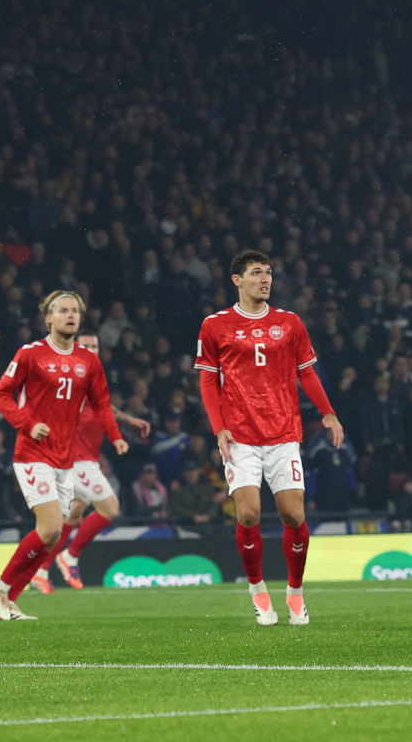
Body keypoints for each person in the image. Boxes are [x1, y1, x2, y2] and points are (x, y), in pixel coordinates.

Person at [195, 250, 345, 626]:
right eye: (257, 273)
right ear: (237, 280)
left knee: (293, 514)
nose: (265, 279)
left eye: (268, 273)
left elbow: (306, 373)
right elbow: (208, 380)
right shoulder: (215, 325)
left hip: (283, 433)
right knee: (248, 513)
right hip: (240, 436)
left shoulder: (289, 322)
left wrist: (327, 411)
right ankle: (258, 589)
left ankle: (295, 593)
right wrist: (219, 428)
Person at [0, 290, 128, 620]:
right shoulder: (30, 354)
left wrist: (116, 436)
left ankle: (6, 599)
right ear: (48, 318)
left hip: (66, 459)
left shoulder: (88, 361)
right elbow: (1, 395)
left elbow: (101, 404)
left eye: (75, 311)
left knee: (51, 536)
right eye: (62, 310)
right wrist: (27, 422)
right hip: (32, 453)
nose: (70, 315)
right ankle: (0, 587)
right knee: (50, 528)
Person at [30, 330, 151, 593]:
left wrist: (128, 421)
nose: (92, 349)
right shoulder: (69, 375)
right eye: (86, 345)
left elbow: (103, 407)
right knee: (110, 509)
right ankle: (69, 556)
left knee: (72, 516)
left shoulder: (90, 376)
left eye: (95, 346)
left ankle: (39, 571)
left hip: (86, 456)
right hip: (75, 459)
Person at [168, 458, 222, 524]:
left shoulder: (207, 487)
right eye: (188, 471)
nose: (191, 473)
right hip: (188, 525)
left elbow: (215, 503)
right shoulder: (178, 489)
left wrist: (208, 516)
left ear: (198, 471)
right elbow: (176, 507)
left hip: (209, 526)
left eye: (194, 470)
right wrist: (193, 516)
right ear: (184, 473)